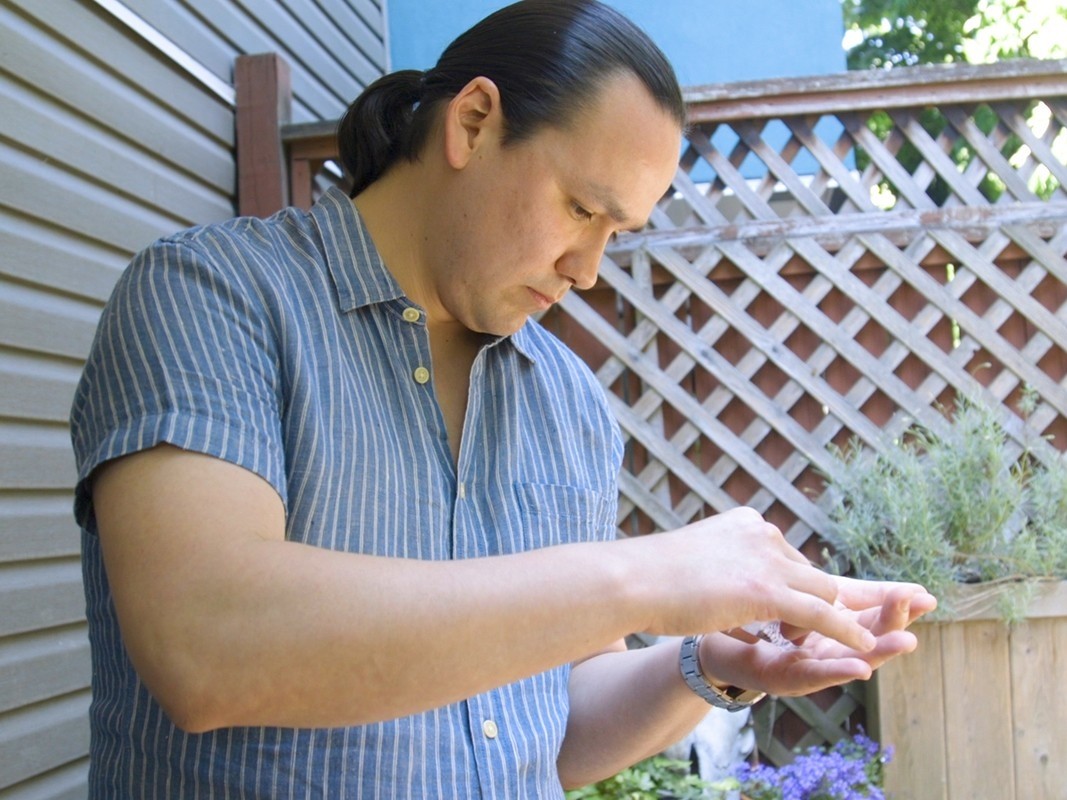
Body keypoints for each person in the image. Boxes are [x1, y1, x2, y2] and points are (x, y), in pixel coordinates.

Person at [70, 1, 936, 797]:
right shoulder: (211, 296)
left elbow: (542, 730)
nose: (588, 269)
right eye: (579, 208)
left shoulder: (568, 402)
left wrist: (716, 663)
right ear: (473, 122)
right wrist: (646, 575)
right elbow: (208, 645)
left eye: (615, 233)